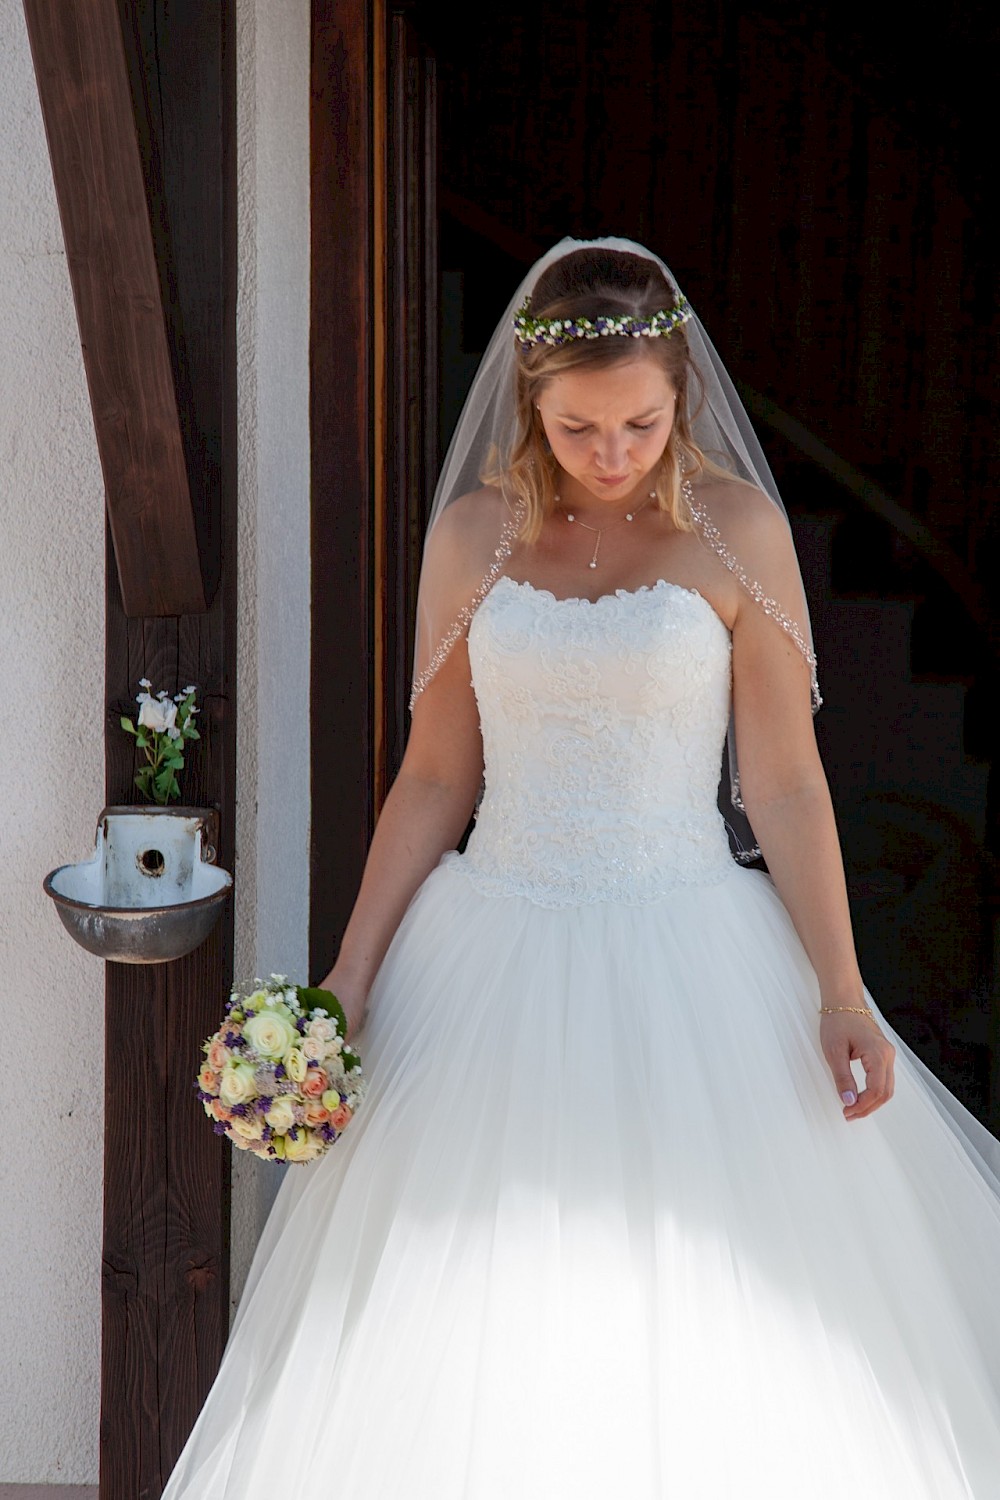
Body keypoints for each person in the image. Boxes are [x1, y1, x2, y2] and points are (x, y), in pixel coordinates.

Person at [162, 238, 1000, 1498]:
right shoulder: (474, 535)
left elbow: (779, 780)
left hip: (693, 944)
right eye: (578, 430)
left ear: (682, 399)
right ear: (529, 408)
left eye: (640, 424)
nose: (612, 455)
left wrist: (840, 987)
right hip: (489, 945)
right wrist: (349, 972)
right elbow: (438, 775)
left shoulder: (738, 530)